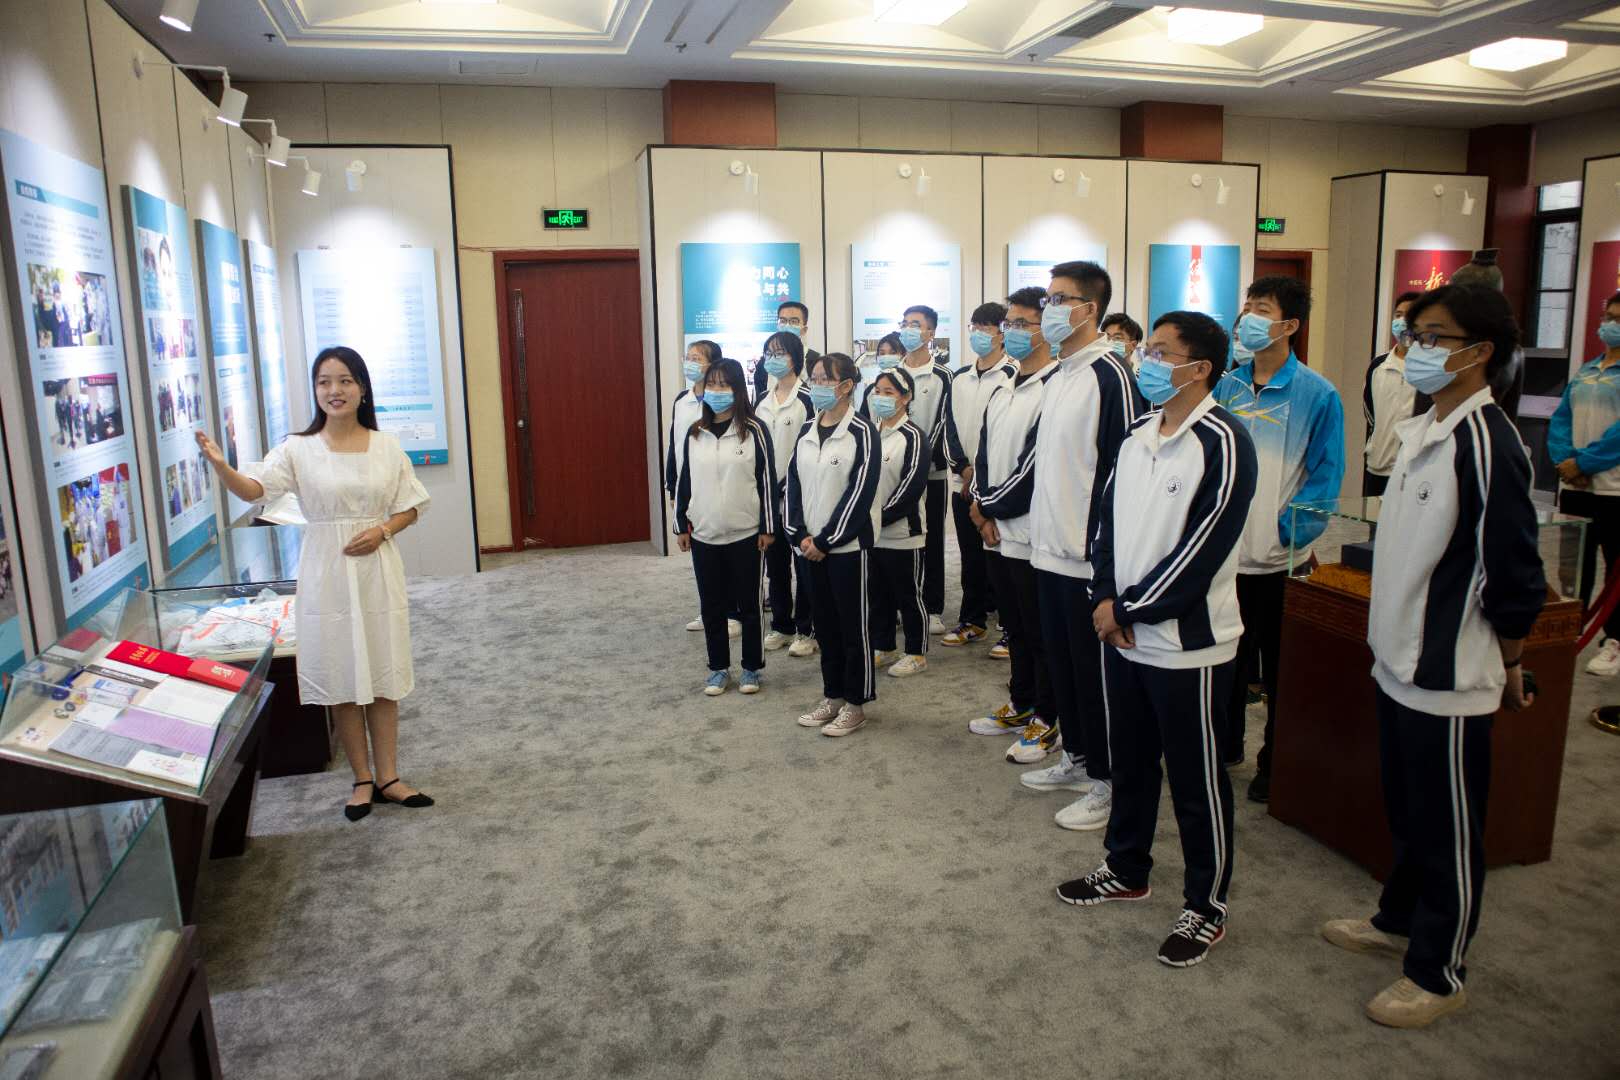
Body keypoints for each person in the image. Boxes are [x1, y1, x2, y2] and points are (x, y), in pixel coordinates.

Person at [1321, 283, 1544, 1028]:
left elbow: (1514, 574)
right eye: (1414, 335)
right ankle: (1397, 919)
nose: (1416, 349)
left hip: (1450, 674)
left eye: (1434, 338)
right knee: (1409, 810)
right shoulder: (1427, 427)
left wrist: (1511, 662)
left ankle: (1439, 970)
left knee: (1449, 826)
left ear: (1480, 353)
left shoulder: (1489, 444)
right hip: (1398, 659)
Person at [1060, 310, 1257, 971]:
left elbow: (1204, 549)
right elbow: (1106, 526)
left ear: (1199, 368)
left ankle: (1207, 905)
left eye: (1163, 353)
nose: (1147, 361)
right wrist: (1104, 598)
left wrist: (1129, 608)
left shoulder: (1224, 441)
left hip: (1187, 646)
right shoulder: (1139, 434)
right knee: (1132, 761)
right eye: (1149, 349)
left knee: (1197, 780)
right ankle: (1126, 868)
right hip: (1125, 636)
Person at [197, 345, 433, 823]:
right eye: (324, 381)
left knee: (383, 672)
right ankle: (362, 779)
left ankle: (389, 777)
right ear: (315, 390)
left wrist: (383, 530)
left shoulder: (385, 446)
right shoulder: (298, 448)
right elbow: (256, 490)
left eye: (344, 380)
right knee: (342, 674)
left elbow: (411, 505)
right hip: (326, 570)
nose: (334, 390)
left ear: (362, 388)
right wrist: (223, 468)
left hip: (376, 569)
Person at [1025, 261, 1147, 832]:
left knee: (1097, 678)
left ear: (1088, 309)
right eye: (1048, 299)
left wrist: (1106, 562)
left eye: (1059, 299)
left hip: (1086, 557)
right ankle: (1076, 757)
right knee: (1064, 668)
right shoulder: (1059, 375)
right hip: (1048, 549)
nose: (1048, 309)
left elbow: (1123, 472)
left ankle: (1108, 781)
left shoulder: (1110, 374)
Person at [1215, 276, 1345, 802]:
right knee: (1226, 662)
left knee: (1280, 671)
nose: (1247, 317)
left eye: (1261, 309)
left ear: (1289, 324)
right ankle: (1225, 746)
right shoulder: (1228, 386)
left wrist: (1288, 534)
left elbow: (1325, 477)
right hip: (1227, 558)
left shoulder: (1318, 393)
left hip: (1280, 561)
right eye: (1247, 306)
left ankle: (1276, 763)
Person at [967, 287, 1061, 760]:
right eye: (1010, 324)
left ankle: (1048, 716)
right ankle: (1021, 702)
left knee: (1041, 632)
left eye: (1024, 324)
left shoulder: (1056, 388)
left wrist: (990, 509)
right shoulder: (1004, 385)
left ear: (1048, 329)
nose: (1014, 332)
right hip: (997, 530)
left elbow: (1034, 468)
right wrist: (981, 506)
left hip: (1032, 533)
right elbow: (985, 453)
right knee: (1015, 627)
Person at [785, 352, 880, 737]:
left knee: (852, 628)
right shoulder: (807, 429)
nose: (818, 384)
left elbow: (860, 493)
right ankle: (833, 696)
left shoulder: (862, 431)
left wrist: (826, 540)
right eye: (815, 377)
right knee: (824, 627)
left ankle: (856, 704)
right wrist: (798, 534)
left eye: (826, 378)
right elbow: (793, 484)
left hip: (847, 550)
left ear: (846, 386)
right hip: (809, 549)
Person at [675, 358, 777, 696]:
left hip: (746, 532)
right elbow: (685, 480)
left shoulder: (754, 430)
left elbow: (766, 480)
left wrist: (768, 526)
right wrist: (681, 524)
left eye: (724, 384)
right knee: (712, 606)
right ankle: (718, 668)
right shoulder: (695, 432)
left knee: (749, 605)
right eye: (711, 384)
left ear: (737, 389)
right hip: (704, 532)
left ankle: (751, 668)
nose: (716, 390)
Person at [1548, 290, 1620, 675]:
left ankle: (1614, 640)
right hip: (1576, 487)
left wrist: (1585, 462)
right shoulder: (1587, 370)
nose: (1610, 325)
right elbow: (1562, 418)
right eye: (1608, 317)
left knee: (1614, 569)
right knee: (1573, 565)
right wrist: (1565, 460)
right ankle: (1569, 627)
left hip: (1613, 488)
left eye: (1618, 320)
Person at [943, 302, 1013, 649]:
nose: (979, 334)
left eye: (986, 328)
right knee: (970, 557)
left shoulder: (1012, 375)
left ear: (1002, 333)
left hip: (998, 485)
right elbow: (950, 426)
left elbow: (1007, 434)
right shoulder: (960, 377)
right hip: (963, 483)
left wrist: (981, 474)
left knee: (1001, 558)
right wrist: (963, 468)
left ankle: (1011, 629)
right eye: (975, 327)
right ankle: (972, 620)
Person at [753, 331, 817, 657]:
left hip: (798, 496)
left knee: (804, 566)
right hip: (767, 498)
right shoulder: (762, 400)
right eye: (769, 353)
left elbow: (811, 445)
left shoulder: (807, 398)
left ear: (795, 357)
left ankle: (807, 629)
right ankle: (781, 624)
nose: (773, 358)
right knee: (775, 565)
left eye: (779, 353)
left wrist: (786, 482)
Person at [669, 340, 737, 639]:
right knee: (702, 553)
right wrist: (673, 484)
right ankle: (710, 609)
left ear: (713, 365)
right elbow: (675, 445)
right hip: (691, 486)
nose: (690, 362)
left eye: (697, 358)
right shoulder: (681, 400)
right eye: (688, 357)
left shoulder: (722, 403)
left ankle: (733, 612)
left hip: (722, 487)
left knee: (728, 554)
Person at [866, 367, 930, 677]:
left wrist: (878, 518)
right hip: (873, 533)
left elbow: (911, 487)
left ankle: (916, 652)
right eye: (878, 391)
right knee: (878, 594)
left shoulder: (914, 437)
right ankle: (885, 645)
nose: (881, 397)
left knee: (908, 594)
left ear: (905, 398)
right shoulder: (870, 434)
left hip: (904, 533)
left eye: (889, 392)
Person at [895, 305, 955, 636]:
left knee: (931, 539)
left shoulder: (944, 376)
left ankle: (932, 607)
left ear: (930, 333)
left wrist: (919, 460)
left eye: (915, 324)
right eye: (904, 323)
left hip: (931, 473)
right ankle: (900, 604)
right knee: (898, 540)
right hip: (894, 474)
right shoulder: (891, 373)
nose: (908, 329)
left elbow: (945, 421)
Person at [1363, 292, 1421, 498]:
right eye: (1398, 315)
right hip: (1378, 466)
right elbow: (1370, 412)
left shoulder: (1429, 368)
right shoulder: (1378, 365)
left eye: (1409, 315)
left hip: (1413, 469)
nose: (1402, 320)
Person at [753, 300, 819, 399]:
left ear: (804, 330)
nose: (787, 325)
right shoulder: (765, 362)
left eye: (793, 321)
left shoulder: (814, 361)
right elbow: (758, 397)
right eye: (783, 321)